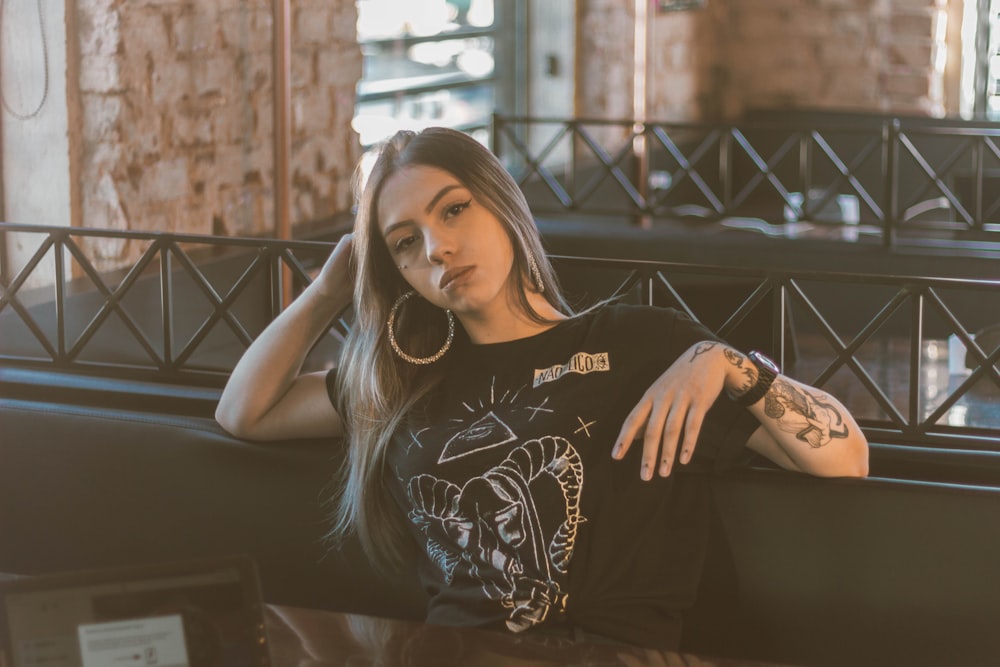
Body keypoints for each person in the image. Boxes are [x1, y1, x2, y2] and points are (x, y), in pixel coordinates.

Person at [216, 126, 868, 650]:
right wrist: (332, 287)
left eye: (453, 210)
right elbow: (245, 410)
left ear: (501, 203)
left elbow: (844, 457)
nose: (437, 248)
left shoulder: (636, 342)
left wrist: (732, 363)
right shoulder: (403, 380)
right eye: (406, 243)